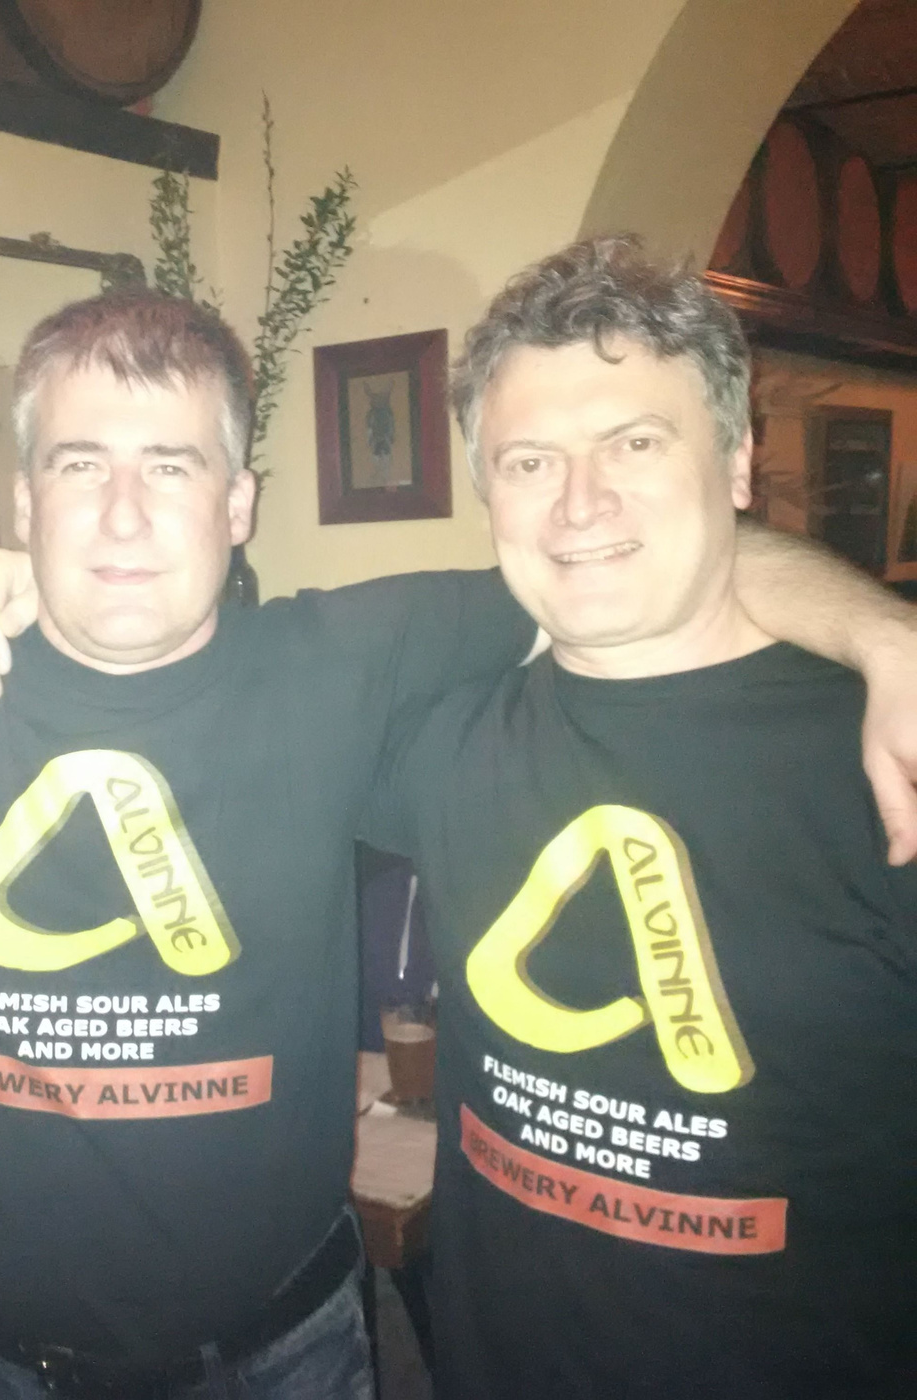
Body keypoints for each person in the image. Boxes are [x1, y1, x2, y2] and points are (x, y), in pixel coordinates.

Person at [0, 286, 917, 1400]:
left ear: (237, 504)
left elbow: (620, 565)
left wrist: (880, 630)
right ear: (23, 502)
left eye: (172, 466)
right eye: (80, 466)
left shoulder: (357, 663)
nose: (124, 514)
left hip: (286, 1354)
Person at [365, 235, 917, 1398]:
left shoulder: (885, 761)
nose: (580, 501)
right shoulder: (435, 739)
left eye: (634, 442)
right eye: (529, 461)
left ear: (735, 462)